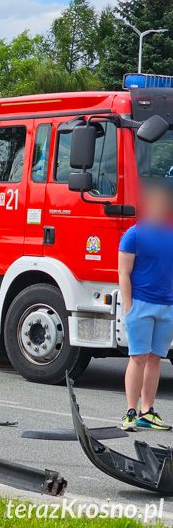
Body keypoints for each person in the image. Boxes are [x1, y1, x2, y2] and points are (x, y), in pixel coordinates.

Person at [119, 182, 173, 431]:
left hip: (166, 307)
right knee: (138, 358)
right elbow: (124, 273)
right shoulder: (133, 235)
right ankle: (130, 411)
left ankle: (147, 412)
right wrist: (129, 307)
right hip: (140, 304)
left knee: (154, 359)